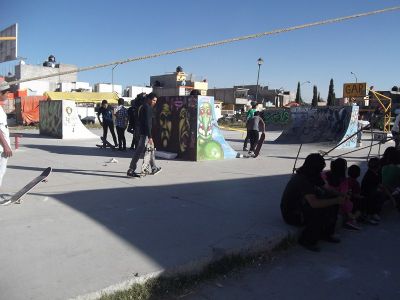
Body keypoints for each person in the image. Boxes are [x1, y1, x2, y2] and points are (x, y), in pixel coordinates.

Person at [281, 153, 344, 252]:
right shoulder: (303, 179)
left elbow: (327, 189)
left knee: (331, 199)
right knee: (319, 209)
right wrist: (336, 200)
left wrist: (340, 195)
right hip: (292, 214)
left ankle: (326, 233)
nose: (322, 170)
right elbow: (314, 203)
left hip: (302, 205)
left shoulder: (312, 174)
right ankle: (306, 240)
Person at [127, 93, 162, 177]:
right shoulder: (147, 108)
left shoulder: (141, 107)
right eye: (153, 100)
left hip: (141, 132)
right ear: (149, 99)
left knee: (150, 150)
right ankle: (131, 169)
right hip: (145, 134)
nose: (155, 102)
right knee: (144, 151)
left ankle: (153, 168)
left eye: (156, 101)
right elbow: (147, 123)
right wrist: (150, 136)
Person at [0, 83, 13, 205]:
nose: (8, 95)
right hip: (0, 148)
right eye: (6, 93)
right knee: (0, 172)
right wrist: (6, 146)